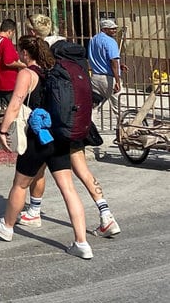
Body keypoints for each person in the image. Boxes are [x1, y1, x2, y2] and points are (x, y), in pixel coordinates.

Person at [0, 34, 93, 259]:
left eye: (20, 51)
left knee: (20, 184)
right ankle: (82, 242)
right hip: (58, 135)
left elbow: (15, 104)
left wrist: (3, 130)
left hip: (37, 137)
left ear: (25, 53)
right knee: (68, 188)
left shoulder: (27, 73)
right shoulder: (52, 70)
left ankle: (7, 226)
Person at [19, 34, 121, 238]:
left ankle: (34, 211)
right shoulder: (75, 64)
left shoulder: (51, 68)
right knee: (83, 171)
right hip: (76, 125)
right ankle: (106, 215)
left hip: (58, 129)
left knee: (39, 170)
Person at [88, 15, 122, 111]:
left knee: (94, 106)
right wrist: (117, 81)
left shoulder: (93, 40)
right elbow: (113, 61)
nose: (115, 31)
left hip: (95, 77)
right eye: (112, 29)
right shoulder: (110, 41)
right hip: (108, 79)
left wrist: (120, 66)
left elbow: (100, 58)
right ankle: (122, 121)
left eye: (115, 29)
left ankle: (91, 121)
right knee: (119, 107)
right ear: (104, 29)